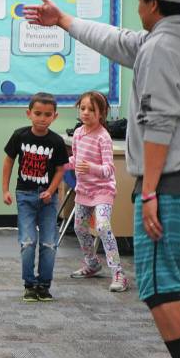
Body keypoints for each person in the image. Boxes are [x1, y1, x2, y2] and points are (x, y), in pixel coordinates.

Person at [24, 0, 180, 358]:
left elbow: (158, 123)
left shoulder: (161, 50)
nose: (137, 9)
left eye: (140, 1)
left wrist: (149, 190)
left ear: (153, 5)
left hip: (174, 179)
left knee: (155, 283)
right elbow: (117, 40)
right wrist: (65, 21)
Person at [2, 92, 69, 302]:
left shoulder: (57, 142)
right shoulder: (19, 136)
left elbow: (61, 170)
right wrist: (5, 189)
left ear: (54, 117)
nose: (42, 118)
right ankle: (29, 284)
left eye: (48, 115)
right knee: (28, 241)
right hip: (24, 196)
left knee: (49, 243)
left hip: (48, 200)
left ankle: (44, 285)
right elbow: (8, 162)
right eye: (38, 113)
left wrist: (51, 190)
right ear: (28, 113)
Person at [66, 90, 129, 292]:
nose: (85, 113)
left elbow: (109, 169)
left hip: (103, 191)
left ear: (101, 113)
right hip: (83, 191)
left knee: (102, 227)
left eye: (91, 109)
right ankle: (92, 264)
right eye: (82, 108)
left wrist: (91, 168)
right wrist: (62, 164)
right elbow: (76, 160)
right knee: (79, 228)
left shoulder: (103, 137)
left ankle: (118, 272)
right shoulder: (77, 133)